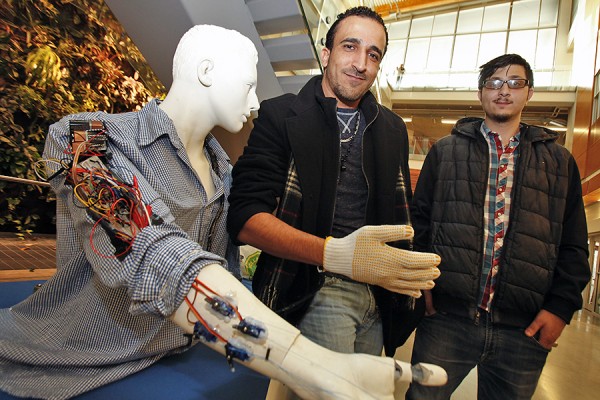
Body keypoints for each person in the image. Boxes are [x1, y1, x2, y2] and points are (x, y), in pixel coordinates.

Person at [0, 24, 444, 400]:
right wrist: (308, 361)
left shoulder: (225, 175)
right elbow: (151, 250)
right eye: (249, 86)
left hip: (175, 354)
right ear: (207, 72)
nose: (255, 104)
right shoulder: (83, 137)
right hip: (72, 361)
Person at [227, 4, 441, 377]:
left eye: (373, 54)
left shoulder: (391, 128)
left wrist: (410, 282)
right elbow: (245, 219)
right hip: (314, 288)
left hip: (379, 294)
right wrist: (333, 253)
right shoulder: (281, 115)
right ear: (326, 54)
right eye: (350, 47)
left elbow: (401, 212)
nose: (361, 63)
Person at [407, 53, 591, 399]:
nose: (503, 90)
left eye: (514, 82)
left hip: (523, 329)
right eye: (493, 82)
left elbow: (573, 244)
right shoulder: (445, 152)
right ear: (481, 94)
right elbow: (420, 226)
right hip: (447, 318)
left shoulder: (559, 162)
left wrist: (560, 309)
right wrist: (424, 288)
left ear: (529, 92)